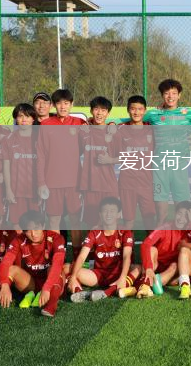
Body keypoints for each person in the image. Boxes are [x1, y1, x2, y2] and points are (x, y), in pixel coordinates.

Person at [0, 210, 67, 318]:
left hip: (51, 282)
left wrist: (47, 288)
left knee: (54, 268)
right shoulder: (19, 239)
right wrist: (4, 284)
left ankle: (51, 306)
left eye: (36, 229)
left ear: (43, 226)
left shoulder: (56, 238)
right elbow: (5, 263)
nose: (33, 234)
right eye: (28, 231)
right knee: (11, 269)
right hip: (30, 283)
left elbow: (58, 264)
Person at [37, 89, 87, 251]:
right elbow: (41, 155)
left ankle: (78, 258)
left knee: (75, 220)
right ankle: (56, 257)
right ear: (53, 105)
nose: (63, 107)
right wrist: (41, 182)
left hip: (74, 182)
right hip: (52, 182)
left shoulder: (80, 123)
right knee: (54, 220)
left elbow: (87, 146)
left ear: (72, 104)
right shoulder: (45, 125)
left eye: (66, 103)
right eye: (59, 103)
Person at [143, 79, 191, 225]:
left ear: (179, 95)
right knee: (161, 214)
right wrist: (109, 122)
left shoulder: (189, 113)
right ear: (162, 95)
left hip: (179, 167)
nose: (170, 96)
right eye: (167, 93)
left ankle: (184, 239)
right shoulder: (153, 114)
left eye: (174, 93)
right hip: (159, 167)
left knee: (183, 212)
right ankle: (160, 238)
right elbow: (132, 119)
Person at [67, 197, 136, 302]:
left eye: (112, 211)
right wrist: (73, 277)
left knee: (138, 268)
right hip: (98, 276)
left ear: (118, 214)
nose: (108, 214)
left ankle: (107, 292)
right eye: (105, 211)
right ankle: (79, 292)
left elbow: (127, 256)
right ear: (100, 214)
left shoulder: (125, 232)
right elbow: (82, 256)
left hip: (118, 274)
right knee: (70, 269)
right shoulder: (94, 232)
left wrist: (122, 278)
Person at [111, 95, 155, 230]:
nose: (136, 112)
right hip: (127, 183)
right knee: (128, 221)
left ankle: (151, 244)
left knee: (149, 221)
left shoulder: (152, 129)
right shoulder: (120, 129)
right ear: (128, 110)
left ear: (145, 111)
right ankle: (127, 244)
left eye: (140, 109)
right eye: (133, 109)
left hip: (147, 183)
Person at [139, 201, 191, 296]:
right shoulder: (165, 227)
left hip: (175, 269)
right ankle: (146, 281)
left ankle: (150, 283)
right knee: (152, 249)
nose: (181, 219)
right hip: (157, 265)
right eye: (179, 214)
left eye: (186, 216)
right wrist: (149, 268)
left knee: (176, 264)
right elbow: (145, 244)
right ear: (175, 213)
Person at [78, 96, 119, 228]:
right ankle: (92, 242)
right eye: (96, 109)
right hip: (89, 185)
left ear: (108, 113)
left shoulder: (113, 132)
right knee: (92, 222)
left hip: (109, 185)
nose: (99, 113)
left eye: (103, 110)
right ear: (91, 111)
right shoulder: (84, 130)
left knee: (110, 222)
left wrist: (110, 160)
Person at [1, 103, 39, 230]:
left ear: (33, 119)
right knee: (17, 224)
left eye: (27, 116)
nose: (24, 120)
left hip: (35, 191)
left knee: (35, 224)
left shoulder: (40, 138)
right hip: (16, 191)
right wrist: (8, 190)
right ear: (16, 119)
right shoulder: (8, 139)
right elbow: (6, 166)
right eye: (20, 116)